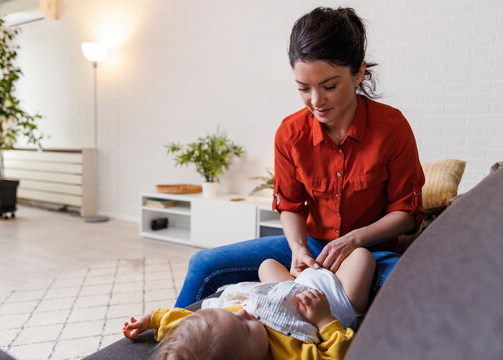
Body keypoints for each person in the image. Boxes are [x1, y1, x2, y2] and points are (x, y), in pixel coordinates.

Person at [174, 6, 425, 309]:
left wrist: (355, 239)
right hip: (312, 247)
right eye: (304, 88)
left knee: (419, 290)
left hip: (372, 251)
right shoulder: (290, 133)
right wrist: (297, 248)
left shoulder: (392, 127)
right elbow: (290, 204)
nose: (316, 101)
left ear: (358, 72)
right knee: (203, 264)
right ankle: (173, 341)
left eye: (329, 86)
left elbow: (406, 215)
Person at [123, 248, 375, 359]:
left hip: (284, 289)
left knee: (267, 265)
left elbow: (189, 325)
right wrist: (324, 320)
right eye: (244, 327)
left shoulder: (228, 325)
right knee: (363, 257)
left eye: (235, 316)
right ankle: (352, 301)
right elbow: (336, 357)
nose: (244, 313)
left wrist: (154, 318)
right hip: (330, 298)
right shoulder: (291, 355)